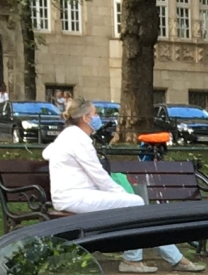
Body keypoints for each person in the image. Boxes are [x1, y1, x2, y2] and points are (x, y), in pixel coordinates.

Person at [43, 99, 180, 262]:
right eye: (95, 114)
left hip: (74, 196)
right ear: (86, 118)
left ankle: (174, 258)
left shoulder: (69, 136)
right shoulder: (78, 140)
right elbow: (98, 175)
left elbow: (48, 154)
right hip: (74, 198)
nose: (97, 117)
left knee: (135, 204)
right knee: (135, 202)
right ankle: (135, 260)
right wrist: (122, 193)